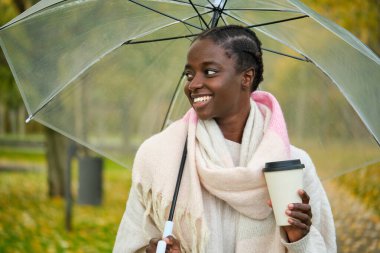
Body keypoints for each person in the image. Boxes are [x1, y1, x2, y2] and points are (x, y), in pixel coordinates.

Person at [113, 25, 336, 253]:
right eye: (189, 74)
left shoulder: (294, 165)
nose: (193, 84)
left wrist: (299, 238)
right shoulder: (159, 157)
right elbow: (130, 243)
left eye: (209, 72)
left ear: (246, 77)